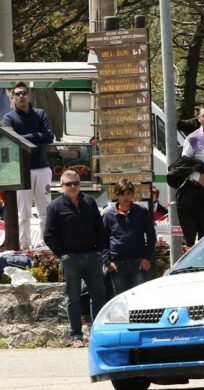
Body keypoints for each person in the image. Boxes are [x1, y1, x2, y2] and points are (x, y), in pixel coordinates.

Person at [43, 170, 107, 347]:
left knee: (99, 296)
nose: (73, 187)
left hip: (92, 257)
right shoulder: (55, 206)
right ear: (61, 186)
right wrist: (63, 254)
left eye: (76, 183)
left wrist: (99, 251)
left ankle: (98, 333)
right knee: (73, 298)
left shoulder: (89, 202)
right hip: (71, 259)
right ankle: (76, 336)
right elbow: (48, 235)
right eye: (68, 184)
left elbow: (100, 228)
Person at [2, 82, 54, 249]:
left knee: (45, 210)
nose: (21, 96)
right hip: (20, 171)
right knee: (23, 213)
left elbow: (49, 137)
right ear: (12, 98)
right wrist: (36, 135)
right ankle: (24, 244)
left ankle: (45, 244)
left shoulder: (40, 114)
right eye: (17, 94)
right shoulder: (9, 118)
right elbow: (11, 140)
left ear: (30, 95)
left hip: (42, 168)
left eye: (24, 93)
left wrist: (23, 137)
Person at [102, 179, 156, 295]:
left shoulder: (142, 212)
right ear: (117, 194)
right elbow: (102, 240)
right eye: (122, 194)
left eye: (129, 194)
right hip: (117, 265)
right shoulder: (108, 215)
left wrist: (147, 258)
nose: (126, 198)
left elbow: (151, 235)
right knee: (121, 300)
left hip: (139, 264)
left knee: (140, 298)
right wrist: (107, 262)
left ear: (132, 194)